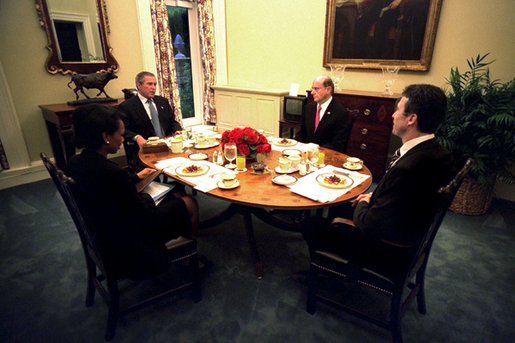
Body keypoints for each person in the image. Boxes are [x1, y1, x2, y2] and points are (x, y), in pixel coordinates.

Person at [303, 84, 455, 277]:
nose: (392, 115)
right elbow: (403, 195)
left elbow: (369, 224)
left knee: (311, 223)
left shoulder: (408, 168)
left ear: (411, 119)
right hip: (406, 229)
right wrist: (374, 195)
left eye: (398, 110)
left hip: (386, 249)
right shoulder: (439, 154)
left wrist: (365, 201)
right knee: (335, 207)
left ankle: (327, 273)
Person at [68, 104, 198, 280]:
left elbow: (107, 187)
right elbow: (143, 215)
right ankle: (188, 258)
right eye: (120, 135)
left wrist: (136, 177)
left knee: (174, 196)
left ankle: (184, 251)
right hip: (129, 241)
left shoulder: (77, 161)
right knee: (188, 201)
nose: (123, 140)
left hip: (104, 228)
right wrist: (149, 197)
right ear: (106, 136)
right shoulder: (111, 173)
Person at [118, 71, 182, 170]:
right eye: (149, 84)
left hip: (168, 147)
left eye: (155, 84)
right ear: (139, 85)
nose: (153, 88)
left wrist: (178, 130)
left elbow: (172, 121)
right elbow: (123, 130)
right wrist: (137, 137)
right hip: (146, 151)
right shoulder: (127, 106)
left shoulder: (162, 101)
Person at [295, 76, 352, 153]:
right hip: (305, 155)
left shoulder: (341, 113)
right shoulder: (308, 108)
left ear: (328, 89)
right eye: (312, 89)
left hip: (326, 156)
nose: (312, 92)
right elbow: (301, 134)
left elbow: (338, 144)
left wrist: (316, 151)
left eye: (316, 89)